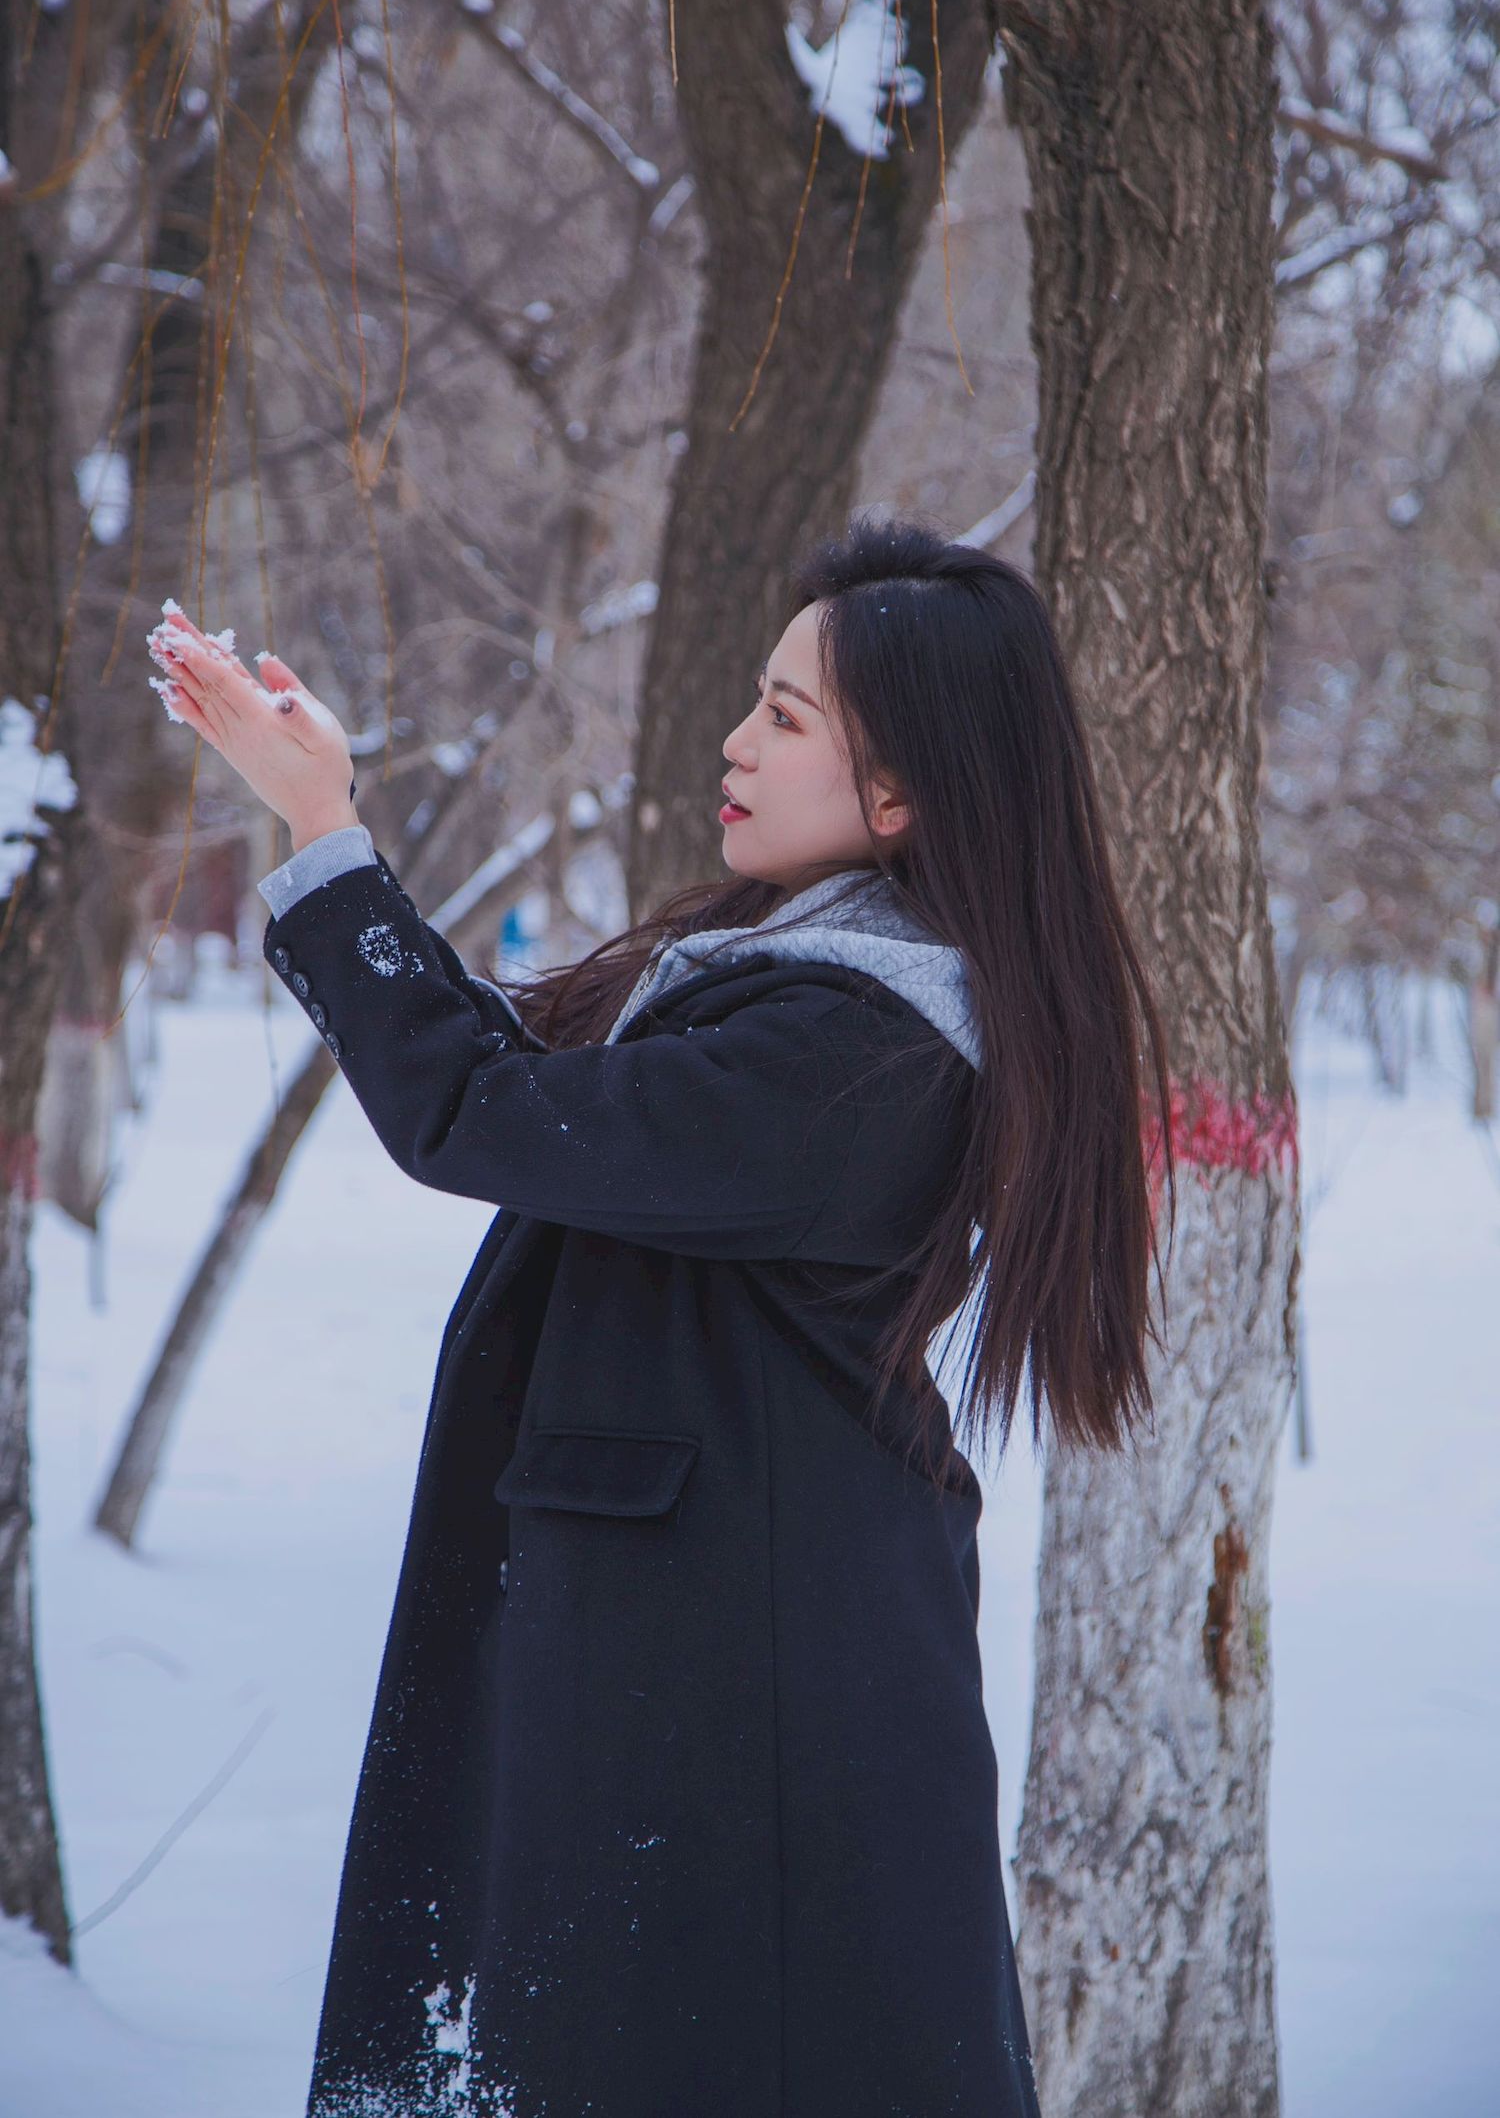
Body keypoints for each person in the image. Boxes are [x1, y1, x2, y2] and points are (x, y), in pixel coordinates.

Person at [146, 510, 1174, 2118]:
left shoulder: (860, 1050)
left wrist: (323, 827)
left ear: (900, 792)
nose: (733, 741)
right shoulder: (779, 974)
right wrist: (319, 824)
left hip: (741, 1720)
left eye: (784, 716)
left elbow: (483, 1110)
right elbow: (520, 1069)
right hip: (702, 1677)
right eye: (754, 699)